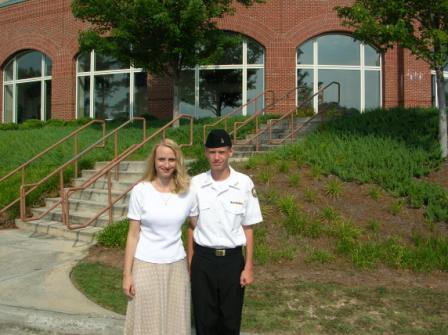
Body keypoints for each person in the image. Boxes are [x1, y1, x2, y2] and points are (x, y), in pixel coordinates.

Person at [187, 129, 263, 335]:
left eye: (221, 152)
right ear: (206, 153)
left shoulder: (244, 183)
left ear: (230, 152)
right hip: (203, 261)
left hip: (232, 262)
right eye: (212, 152)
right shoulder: (195, 184)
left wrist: (248, 267)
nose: (217, 157)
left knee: (230, 322)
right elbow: (192, 227)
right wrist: (191, 264)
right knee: (204, 321)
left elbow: (248, 229)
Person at [123, 138, 197, 335]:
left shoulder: (188, 192)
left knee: (176, 323)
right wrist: (127, 274)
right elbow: (132, 235)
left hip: (176, 265)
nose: (166, 164)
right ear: (154, 161)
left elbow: (197, 227)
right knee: (147, 322)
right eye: (161, 159)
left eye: (171, 160)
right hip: (145, 264)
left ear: (177, 162)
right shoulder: (141, 191)